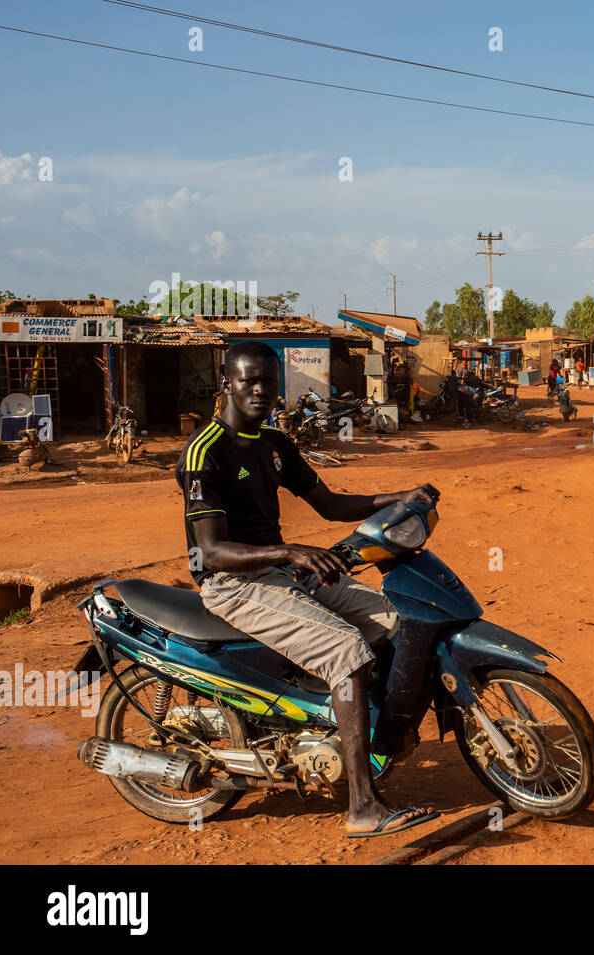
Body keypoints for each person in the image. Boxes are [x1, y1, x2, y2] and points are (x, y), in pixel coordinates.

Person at [176, 341, 438, 838]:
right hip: (233, 584)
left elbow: (332, 505)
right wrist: (291, 551)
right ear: (226, 384)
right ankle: (362, 806)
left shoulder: (275, 443)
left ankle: (366, 736)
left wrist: (399, 497)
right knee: (346, 650)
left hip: (281, 573)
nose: (260, 390)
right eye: (249, 381)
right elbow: (211, 552)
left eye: (269, 382)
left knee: (397, 619)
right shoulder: (204, 452)